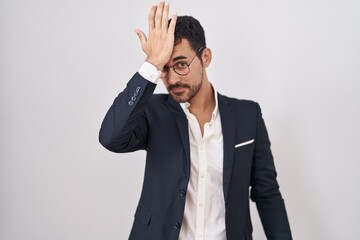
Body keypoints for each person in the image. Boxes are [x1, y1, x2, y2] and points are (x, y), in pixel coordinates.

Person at [99, 1, 292, 239]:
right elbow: (110, 138)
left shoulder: (248, 115)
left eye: (181, 64)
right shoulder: (153, 111)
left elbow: (267, 193)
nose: (171, 79)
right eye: (164, 69)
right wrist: (151, 64)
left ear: (206, 57)